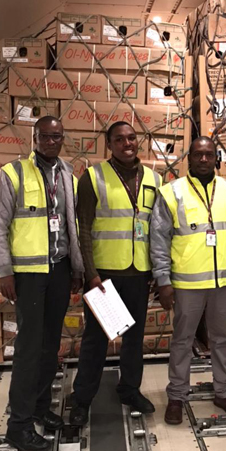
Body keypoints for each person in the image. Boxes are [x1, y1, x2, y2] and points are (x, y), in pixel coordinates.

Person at [0, 116, 83, 451]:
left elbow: (70, 223)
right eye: (45, 136)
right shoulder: (12, 173)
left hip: (58, 268)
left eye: (57, 136)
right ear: (34, 137)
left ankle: (41, 408)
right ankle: (19, 425)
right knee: (29, 349)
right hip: (28, 274)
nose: (51, 141)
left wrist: (76, 267)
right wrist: (5, 271)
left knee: (49, 344)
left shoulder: (67, 173)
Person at [150, 137, 226, 425]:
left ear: (217, 158)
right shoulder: (172, 192)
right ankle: (177, 396)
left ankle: (223, 391)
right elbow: (159, 239)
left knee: (221, 339)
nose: (203, 160)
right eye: (198, 155)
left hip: (224, 282)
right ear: (189, 159)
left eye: (209, 155)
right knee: (182, 340)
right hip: (186, 283)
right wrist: (163, 280)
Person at [69, 121, 160, 425]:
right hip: (105, 274)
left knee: (134, 338)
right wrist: (90, 274)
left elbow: (158, 230)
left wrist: (158, 272)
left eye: (132, 138)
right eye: (119, 139)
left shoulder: (154, 179)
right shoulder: (93, 177)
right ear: (109, 144)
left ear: (139, 141)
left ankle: (129, 389)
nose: (127, 143)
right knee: (97, 339)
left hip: (139, 272)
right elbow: (83, 229)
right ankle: (82, 399)